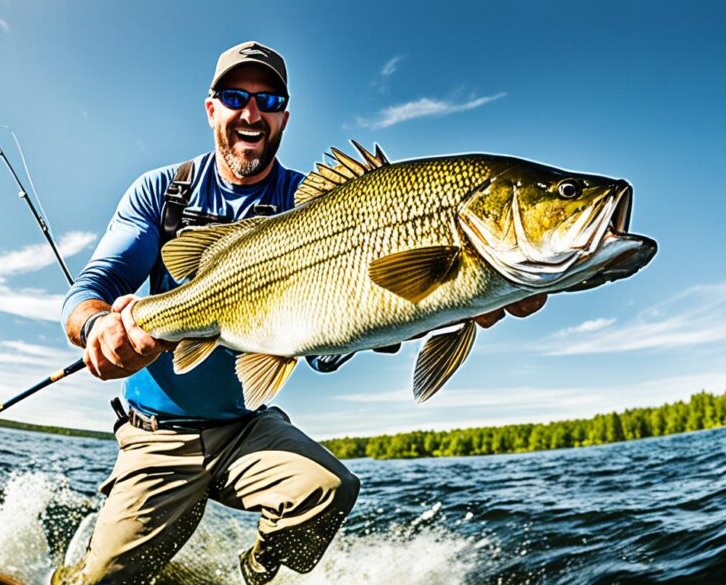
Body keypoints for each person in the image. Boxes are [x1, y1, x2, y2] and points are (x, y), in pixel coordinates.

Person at [61, 41, 546, 585]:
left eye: (268, 99)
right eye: (234, 96)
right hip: (159, 434)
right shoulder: (161, 192)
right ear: (211, 108)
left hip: (245, 426)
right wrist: (98, 325)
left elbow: (321, 350)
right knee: (102, 579)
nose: (251, 112)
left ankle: (255, 571)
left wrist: (405, 320)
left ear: (284, 116)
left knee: (329, 489)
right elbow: (91, 288)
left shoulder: (310, 203)